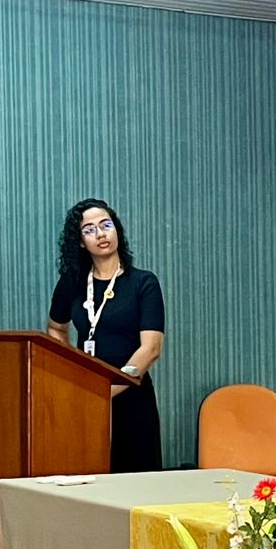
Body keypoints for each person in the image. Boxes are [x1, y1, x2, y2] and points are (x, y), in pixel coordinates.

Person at [46, 199, 165, 472]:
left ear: (116, 230)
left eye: (106, 225)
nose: (100, 233)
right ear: (80, 242)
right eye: (89, 230)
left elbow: (151, 348)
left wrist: (108, 389)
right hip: (84, 398)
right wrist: (70, 372)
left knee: (135, 482)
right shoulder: (72, 283)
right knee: (88, 479)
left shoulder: (143, 282)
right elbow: (56, 328)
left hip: (132, 396)